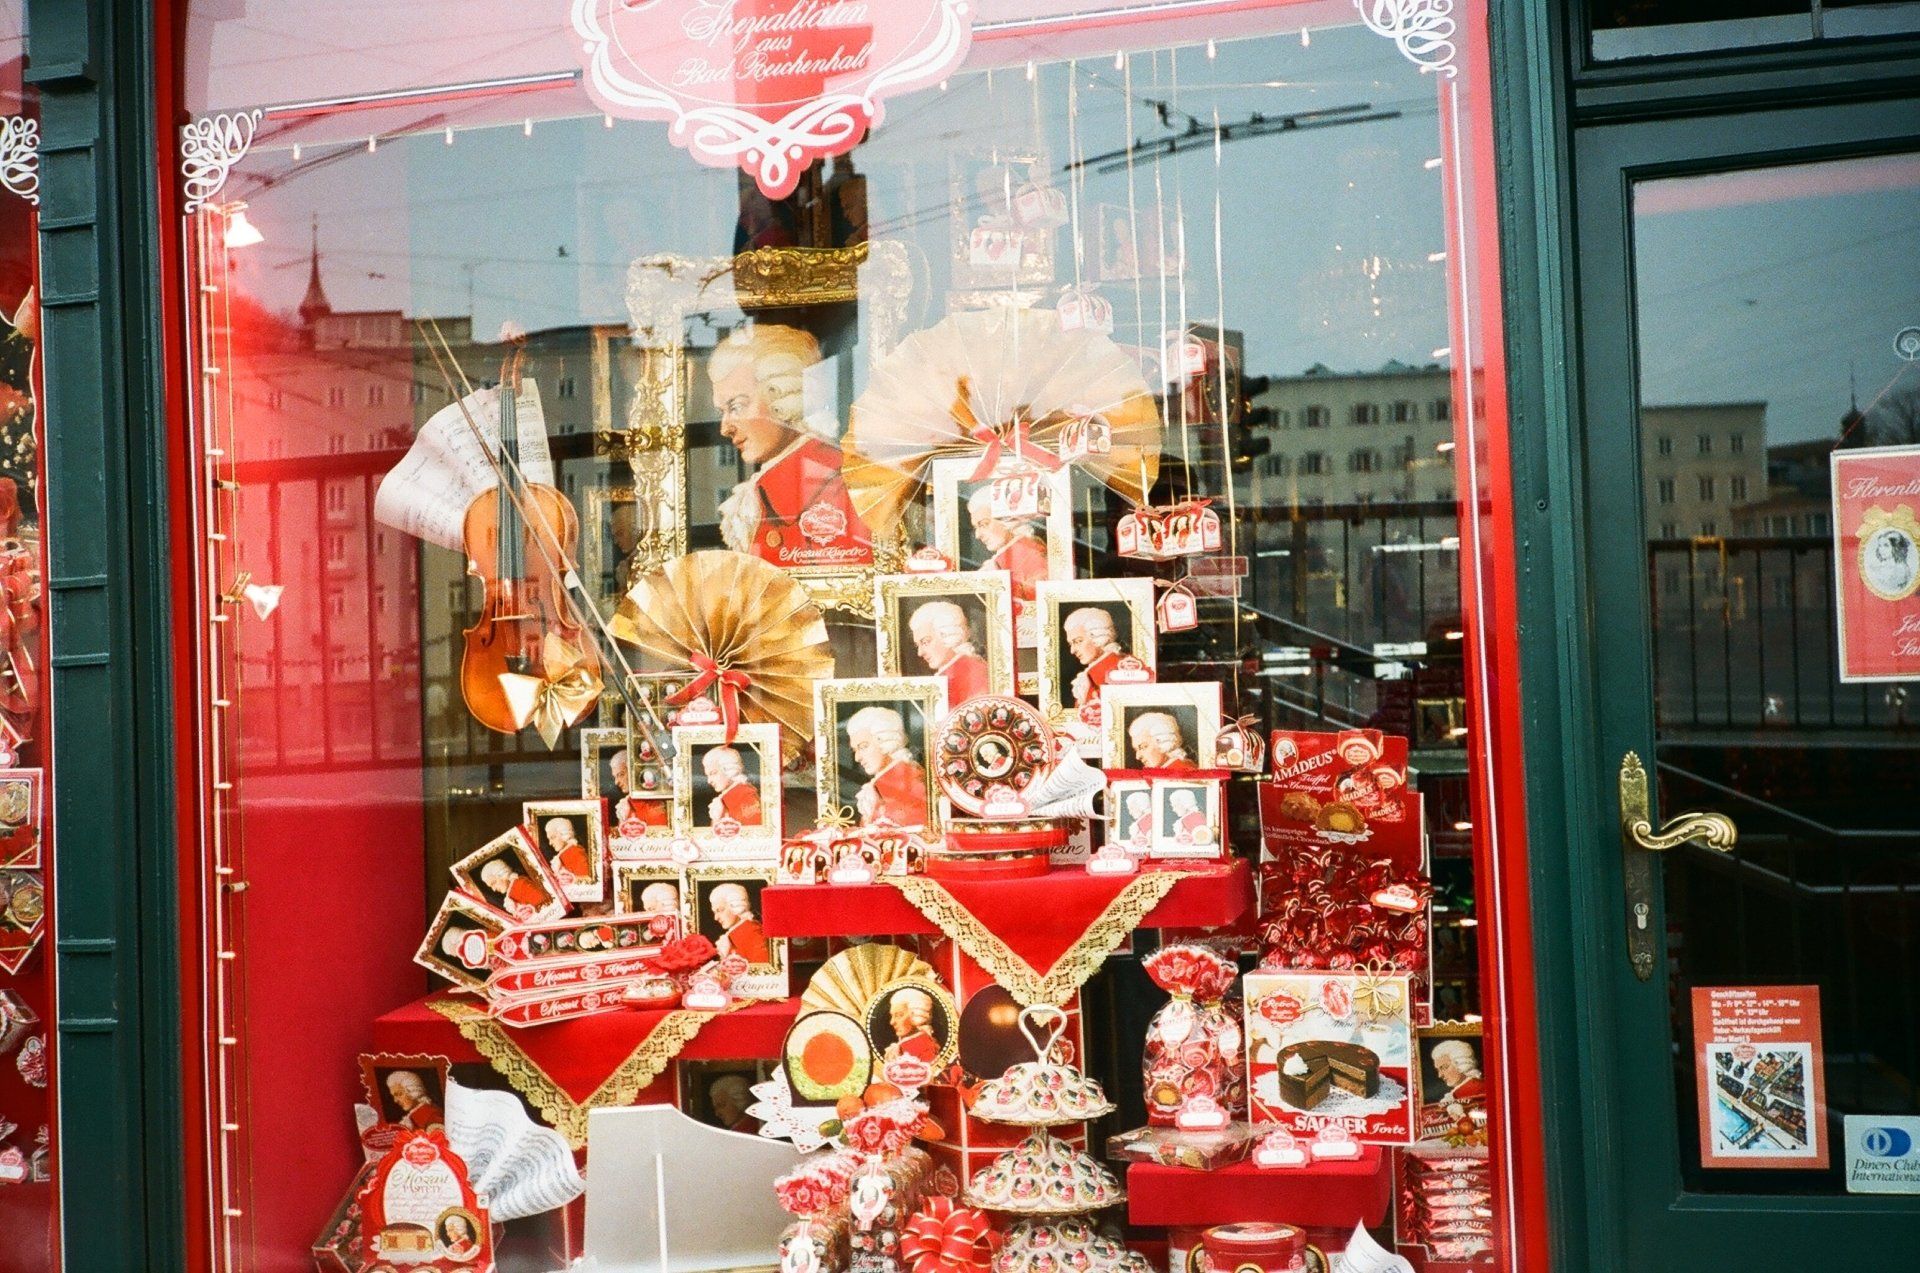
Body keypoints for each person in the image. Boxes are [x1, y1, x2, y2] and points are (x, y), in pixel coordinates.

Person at [708, 324, 870, 569]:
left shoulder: (832, 484)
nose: (725, 428)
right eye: (722, 411)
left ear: (783, 397)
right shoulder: (768, 491)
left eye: (737, 407)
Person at [967, 486, 1049, 639]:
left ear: (1007, 519)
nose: (977, 535)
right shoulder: (1011, 555)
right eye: (975, 527)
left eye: (984, 524)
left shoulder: (1030, 554)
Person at [847, 705, 928, 829]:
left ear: (886, 740)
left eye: (863, 746)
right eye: (854, 750)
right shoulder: (885, 782)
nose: (857, 758)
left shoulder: (908, 781)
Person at [909, 600, 990, 706]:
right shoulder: (953, 671)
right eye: (918, 645)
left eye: (925, 642)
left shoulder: (972, 671)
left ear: (948, 635)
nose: (920, 653)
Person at [1064, 607, 1128, 710]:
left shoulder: (1117, 669)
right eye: (1071, 644)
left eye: (1078, 641)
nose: (1072, 651)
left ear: (1099, 636)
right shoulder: (1091, 675)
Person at [609, 747, 670, 830]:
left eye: (621, 774)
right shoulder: (624, 805)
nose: (616, 782)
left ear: (634, 771)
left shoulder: (656, 802)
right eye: (615, 777)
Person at [709, 882, 769, 964]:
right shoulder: (734, 936)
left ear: (736, 906)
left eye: (720, 910)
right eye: (715, 912)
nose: (716, 918)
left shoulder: (753, 934)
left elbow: (762, 970)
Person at [702, 747, 763, 827]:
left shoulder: (745, 796)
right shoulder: (728, 797)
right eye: (707, 775)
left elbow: (753, 832)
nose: (709, 781)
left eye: (713, 773)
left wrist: (718, 819)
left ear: (729, 769)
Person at [479, 857, 551, 920]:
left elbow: (545, 906)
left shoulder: (521, 884)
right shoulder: (512, 891)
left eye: (494, 883)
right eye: (491, 887)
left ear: (502, 874)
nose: (494, 889)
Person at [883, 987, 940, 1064]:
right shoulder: (905, 1044)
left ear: (915, 1015)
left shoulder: (924, 1047)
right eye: (892, 1016)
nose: (892, 1022)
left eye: (899, 1015)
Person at [1127, 711, 1196, 771]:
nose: (1138, 756)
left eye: (1143, 747)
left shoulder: (1184, 771)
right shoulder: (1159, 772)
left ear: (1163, 741)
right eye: (1136, 750)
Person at [542, 816, 594, 884]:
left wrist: (573, 879)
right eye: (549, 839)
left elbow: (589, 881)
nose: (550, 843)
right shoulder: (565, 853)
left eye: (553, 837)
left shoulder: (575, 851)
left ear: (564, 834)